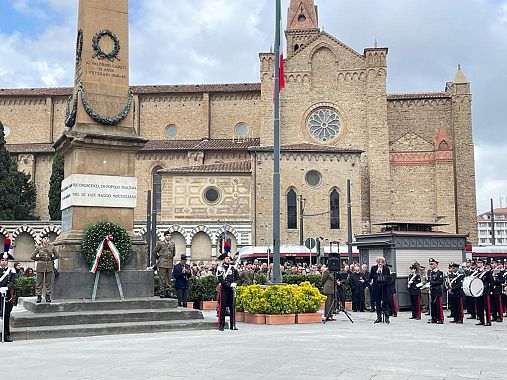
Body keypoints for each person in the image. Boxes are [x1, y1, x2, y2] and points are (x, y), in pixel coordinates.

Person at [31, 234, 59, 303]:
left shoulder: (52, 246)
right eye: (45, 238)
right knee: (39, 282)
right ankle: (39, 296)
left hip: (49, 265)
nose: (46, 239)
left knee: (48, 282)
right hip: (40, 265)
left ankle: (47, 295)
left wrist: (52, 258)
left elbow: (57, 255)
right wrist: (38, 259)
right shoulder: (38, 247)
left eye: (47, 238)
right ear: (42, 240)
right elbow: (32, 256)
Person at [216, 254, 239, 331]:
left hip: (231, 290)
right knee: (222, 307)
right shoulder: (220, 268)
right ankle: (221, 325)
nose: (228, 259)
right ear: (224, 259)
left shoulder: (233, 268)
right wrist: (227, 284)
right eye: (227, 258)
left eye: (229, 258)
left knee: (232, 307)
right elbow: (220, 279)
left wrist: (235, 283)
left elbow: (237, 278)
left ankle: (233, 325)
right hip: (224, 289)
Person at [0, 249, 16, 342]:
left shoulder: (11, 271)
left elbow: (13, 281)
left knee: (6, 315)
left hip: (6, 295)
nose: (4, 262)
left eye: (6, 260)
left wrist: (7, 288)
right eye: (2, 260)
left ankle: (6, 335)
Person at [370, 256, 391, 324]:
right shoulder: (373, 268)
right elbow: (370, 276)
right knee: (378, 302)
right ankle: (379, 317)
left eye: (382, 262)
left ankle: (387, 316)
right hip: (376, 287)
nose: (380, 263)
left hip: (384, 287)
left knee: (385, 302)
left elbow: (388, 277)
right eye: (379, 262)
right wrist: (376, 272)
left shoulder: (386, 268)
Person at [473, 258, 493, 326]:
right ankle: (481, 320)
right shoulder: (476, 272)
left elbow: (491, 281)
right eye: (477, 262)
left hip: (485, 290)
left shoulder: (487, 272)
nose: (478, 264)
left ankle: (488, 321)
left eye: (479, 262)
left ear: (482, 264)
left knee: (486, 307)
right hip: (478, 291)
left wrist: (490, 290)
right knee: (479, 306)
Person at [427, 258, 444, 324]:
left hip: (437, 291)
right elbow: (429, 280)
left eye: (432, 264)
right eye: (430, 264)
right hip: (432, 290)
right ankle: (434, 318)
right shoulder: (430, 272)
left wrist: (431, 283)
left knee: (438, 305)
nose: (431, 265)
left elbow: (440, 281)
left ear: (436, 264)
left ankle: (440, 318)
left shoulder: (439, 272)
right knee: (432, 305)